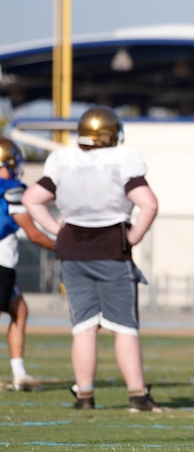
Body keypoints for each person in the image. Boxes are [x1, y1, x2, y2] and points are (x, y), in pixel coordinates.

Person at [21, 105, 163, 412]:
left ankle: (84, 396)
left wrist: (58, 230)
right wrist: (133, 237)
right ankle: (137, 396)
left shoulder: (63, 158)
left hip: (72, 250)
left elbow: (31, 199)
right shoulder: (122, 157)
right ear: (111, 134)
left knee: (83, 326)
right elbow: (149, 204)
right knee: (124, 326)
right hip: (111, 248)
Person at [0, 137, 57, 391]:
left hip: (4, 266)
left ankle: (19, 373)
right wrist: (63, 247)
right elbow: (33, 233)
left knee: (19, 310)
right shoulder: (11, 190)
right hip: (0, 265)